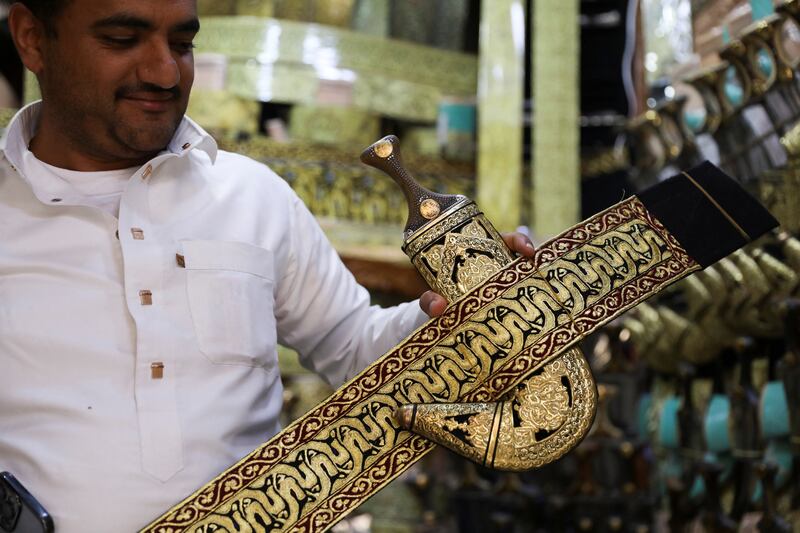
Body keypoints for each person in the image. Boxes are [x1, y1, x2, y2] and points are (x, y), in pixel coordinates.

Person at [0, 1, 536, 531]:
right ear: (32, 37)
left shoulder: (252, 197)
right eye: (122, 40)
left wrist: (461, 315)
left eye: (183, 44)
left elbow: (354, 347)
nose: (164, 72)